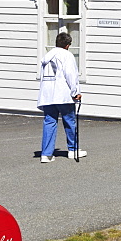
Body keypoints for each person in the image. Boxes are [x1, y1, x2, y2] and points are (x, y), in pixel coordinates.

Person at [38, 32, 85, 162]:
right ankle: (73, 149)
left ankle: (46, 154)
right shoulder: (67, 55)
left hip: (48, 95)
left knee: (49, 121)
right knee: (70, 121)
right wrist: (76, 92)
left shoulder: (47, 56)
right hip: (62, 94)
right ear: (67, 45)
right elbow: (71, 75)